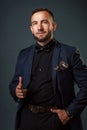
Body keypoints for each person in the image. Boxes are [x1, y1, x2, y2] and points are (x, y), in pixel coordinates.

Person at [9, 8, 87, 130]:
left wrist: (69, 112)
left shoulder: (70, 53)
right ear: (31, 28)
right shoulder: (23, 54)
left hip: (57, 120)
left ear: (53, 26)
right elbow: (14, 83)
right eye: (35, 23)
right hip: (27, 119)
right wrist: (16, 90)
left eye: (44, 22)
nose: (39, 27)